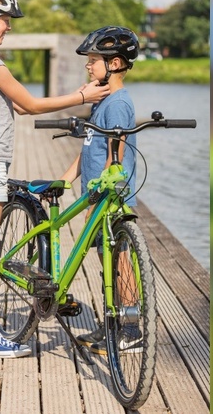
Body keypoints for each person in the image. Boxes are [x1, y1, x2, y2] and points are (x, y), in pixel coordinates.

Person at [0, 0, 111, 358]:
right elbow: (31, 106)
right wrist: (83, 96)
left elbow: (17, 106)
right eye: (5, 20)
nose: (10, 26)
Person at [58, 26, 141, 355]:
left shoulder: (118, 104)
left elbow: (113, 156)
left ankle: (131, 329)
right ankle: (115, 324)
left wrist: (99, 200)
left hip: (111, 198)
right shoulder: (103, 102)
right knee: (108, 261)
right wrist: (66, 179)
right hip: (96, 195)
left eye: (94, 61)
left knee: (120, 260)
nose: (88, 66)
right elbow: (89, 145)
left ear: (116, 64)